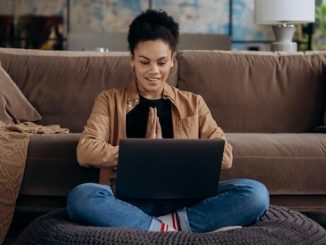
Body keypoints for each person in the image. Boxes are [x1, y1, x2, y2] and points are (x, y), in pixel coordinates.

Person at [66, 9, 269, 233]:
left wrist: (168, 153)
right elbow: (85, 151)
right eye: (144, 62)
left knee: (256, 194)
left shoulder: (193, 103)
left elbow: (226, 156)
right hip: (127, 201)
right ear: (132, 60)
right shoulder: (109, 100)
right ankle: (174, 228)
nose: (154, 71)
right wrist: (141, 153)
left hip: (185, 200)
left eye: (161, 62)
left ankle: (157, 228)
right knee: (81, 197)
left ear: (172, 61)